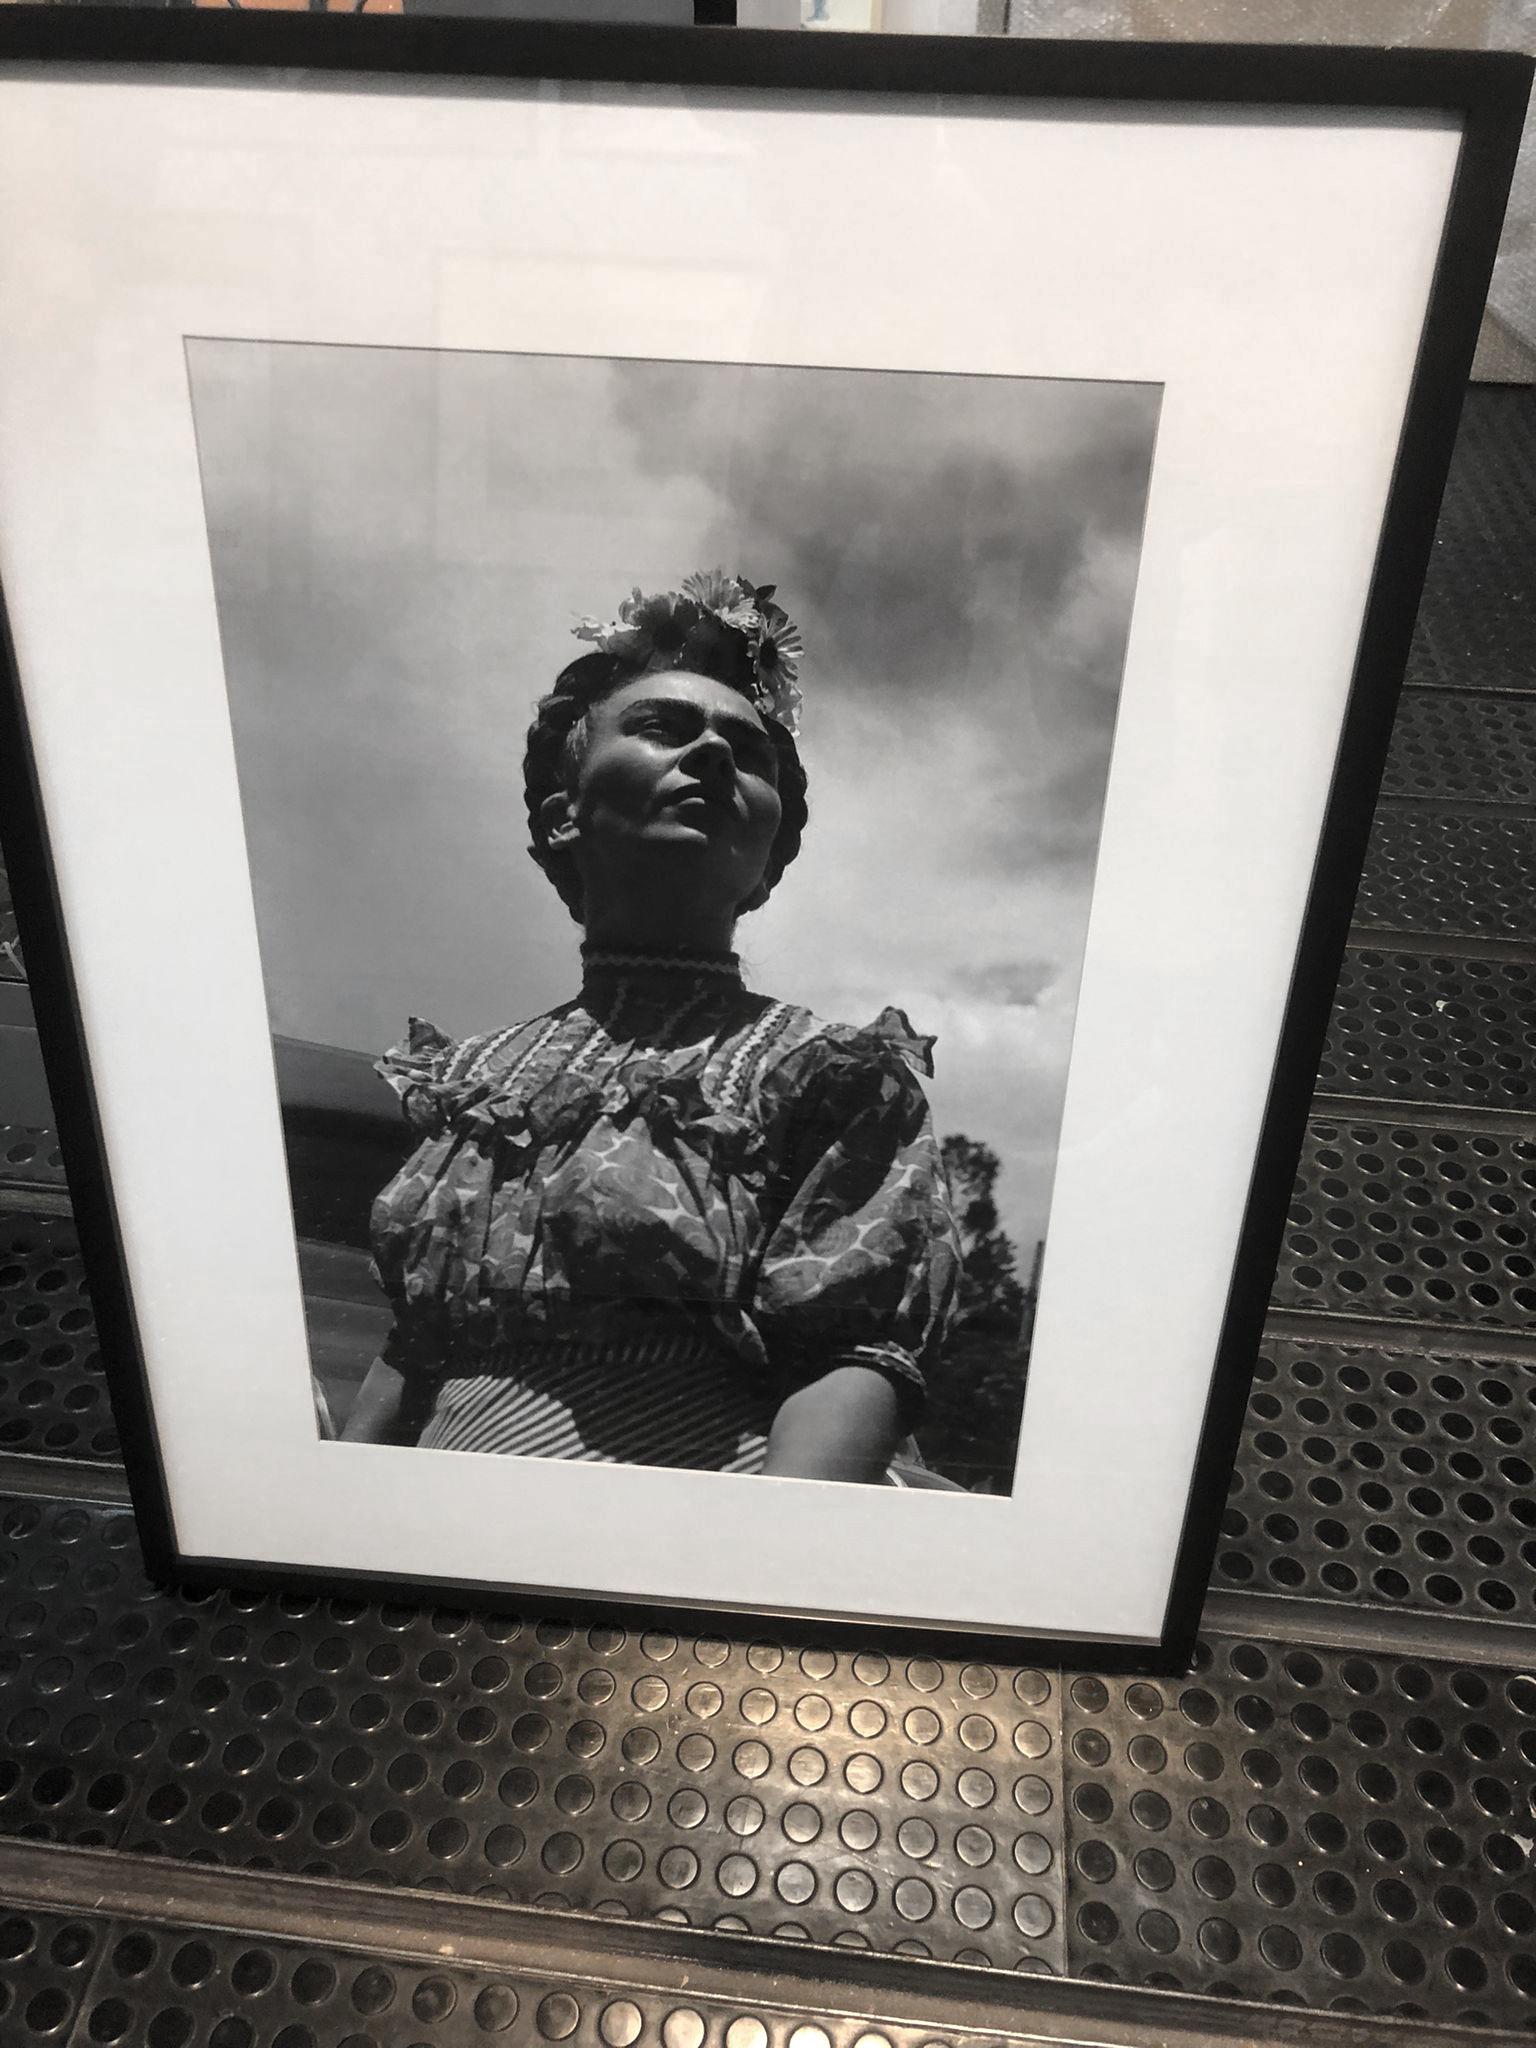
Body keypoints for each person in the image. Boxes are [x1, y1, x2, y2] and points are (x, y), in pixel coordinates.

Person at [340, 572, 959, 1484]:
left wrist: (727, 1581)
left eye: (749, 755)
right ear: (562, 816)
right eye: (664, 729)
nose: (713, 751)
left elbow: (856, 1357)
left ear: (768, 859)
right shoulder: (469, 1084)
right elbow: (416, 1349)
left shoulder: (831, 1075)